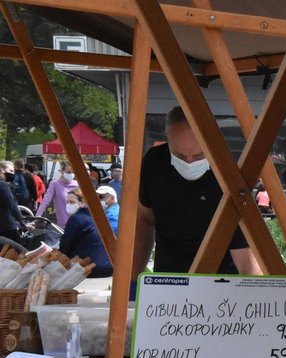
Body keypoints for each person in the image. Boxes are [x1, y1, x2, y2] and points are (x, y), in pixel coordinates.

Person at [135, 106, 260, 275]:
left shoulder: (229, 174)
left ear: (211, 143)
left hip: (220, 282)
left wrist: (254, 296)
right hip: (169, 277)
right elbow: (144, 218)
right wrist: (132, 279)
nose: (189, 162)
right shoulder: (155, 163)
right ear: (168, 140)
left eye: (199, 155)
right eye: (179, 155)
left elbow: (245, 255)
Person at [58, 188, 112, 277]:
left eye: (72, 202)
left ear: (83, 202)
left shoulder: (76, 219)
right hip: (108, 267)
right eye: (67, 202)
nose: (68, 205)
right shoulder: (101, 218)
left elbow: (65, 246)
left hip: (88, 268)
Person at [36, 161, 79, 228]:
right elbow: (46, 201)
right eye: (68, 172)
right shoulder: (55, 184)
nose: (71, 174)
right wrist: (37, 216)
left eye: (73, 172)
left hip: (77, 223)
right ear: (62, 171)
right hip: (63, 225)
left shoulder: (77, 184)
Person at [0, 161, 25, 245]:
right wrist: (23, 221)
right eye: (11, 171)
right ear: (2, 170)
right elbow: (12, 205)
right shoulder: (3, 185)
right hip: (7, 226)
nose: (13, 174)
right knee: (17, 253)